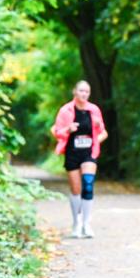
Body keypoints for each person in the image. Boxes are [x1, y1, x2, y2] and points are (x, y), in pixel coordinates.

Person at [51, 81, 109, 238]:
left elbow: (104, 132)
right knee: (76, 189)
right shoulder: (66, 110)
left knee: (88, 184)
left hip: (89, 152)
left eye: (87, 92)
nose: (84, 94)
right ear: (74, 92)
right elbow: (56, 132)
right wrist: (68, 129)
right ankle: (76, 223)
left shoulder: (94, 110)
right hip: (71, 152)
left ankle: (86, 223)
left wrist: (96, 136)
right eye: (81, 91)